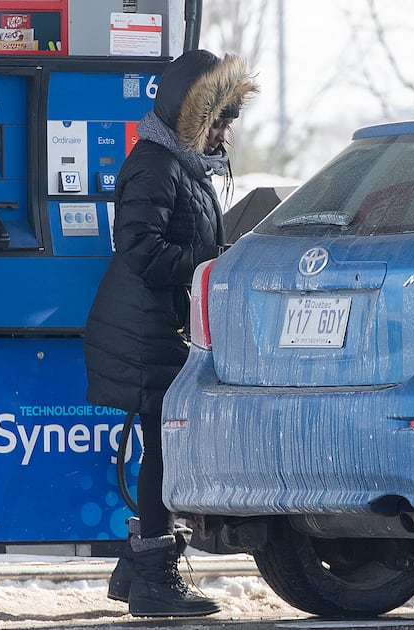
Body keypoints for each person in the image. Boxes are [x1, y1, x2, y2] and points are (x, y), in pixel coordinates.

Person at [83, 49, 257, 618]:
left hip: (156, 327)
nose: (225, 132)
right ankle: (156, 577)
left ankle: (136, 571)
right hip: (142, 332)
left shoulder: (181, 165)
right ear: (191, 115)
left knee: (164, 446)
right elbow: (140, 249)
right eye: (219, 120)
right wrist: (210, 263)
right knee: (164, 449)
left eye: (230, 120)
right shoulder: (156, 165)